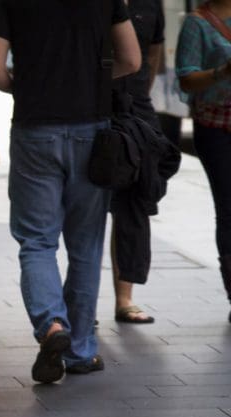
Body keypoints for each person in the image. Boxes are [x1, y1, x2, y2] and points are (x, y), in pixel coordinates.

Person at [0, 0, 140, 383]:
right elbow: (132, 59)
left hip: (35, 129)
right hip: (93, 130)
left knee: (37, 241)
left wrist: (27, 85)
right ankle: (81, 350)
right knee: (86, 245)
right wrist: (92, 80)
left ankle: (52, 326)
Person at [109, 0, 166, 326]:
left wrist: (139, 95)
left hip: (137, 108)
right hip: (96, 105)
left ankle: (124, 298)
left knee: (134, 202)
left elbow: (153, 55)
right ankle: (81, 295)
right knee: (88, 204)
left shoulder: (151, 4)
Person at [176, 0, 231, 322]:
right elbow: (186, 79)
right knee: (228, 208)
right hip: (217, 129)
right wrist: (223, 71)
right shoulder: (197, 24)